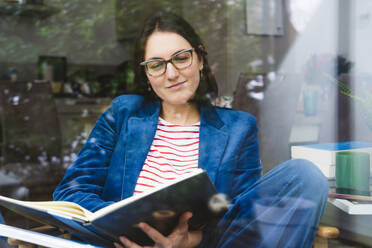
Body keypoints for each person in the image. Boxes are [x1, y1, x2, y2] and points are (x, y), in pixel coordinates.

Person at [53, 12, 328, 248]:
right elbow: (71, 192)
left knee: (304, 174)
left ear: (200, 59)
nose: (171, 74)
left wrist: (190, 240)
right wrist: (126, 223)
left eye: (181, 58)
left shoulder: (238, 128)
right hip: (119, 242)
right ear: (148, 76)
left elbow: (241, 217)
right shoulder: (124, 113)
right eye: (157, 65)